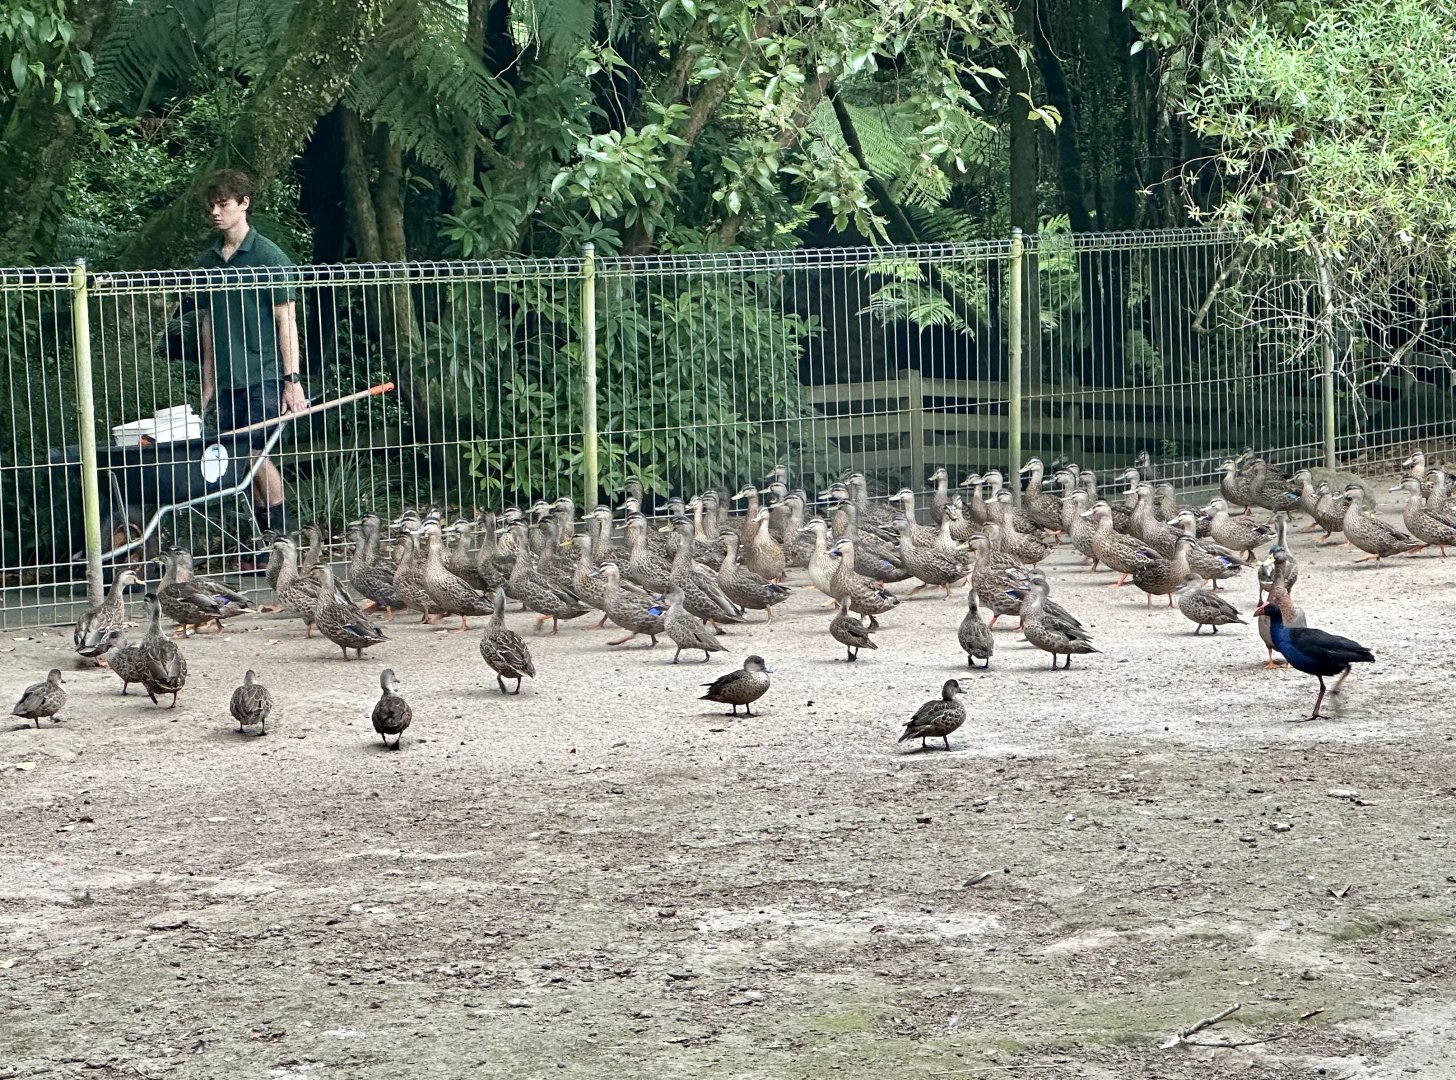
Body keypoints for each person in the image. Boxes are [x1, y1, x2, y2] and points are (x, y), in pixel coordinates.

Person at [195, 169, 304, 539]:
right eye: (211, 205)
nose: (215, 212)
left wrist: (292, 381)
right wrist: (208, 382)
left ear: (244, 203)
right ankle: (265, 542)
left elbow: (286, 322)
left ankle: (280, 538)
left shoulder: (270, 257)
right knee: (241, 460)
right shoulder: (207, 262)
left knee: (255, 453)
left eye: (223, 204)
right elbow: (207, 325)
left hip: (266, 376)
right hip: (227, 380)